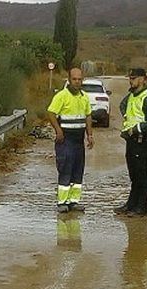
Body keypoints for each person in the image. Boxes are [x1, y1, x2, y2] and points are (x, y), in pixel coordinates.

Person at [46, 68, 94, 213]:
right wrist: (58, 130)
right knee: (65, 169)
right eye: (74, 79)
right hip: (65, 140)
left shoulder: (84, 96)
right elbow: (51, 113)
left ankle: (74, 201)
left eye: (79, 79)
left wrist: (89, 135)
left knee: (77, 171)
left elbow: (88, 116)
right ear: (69, 79)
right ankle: (62, 202)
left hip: (78, 140)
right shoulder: (62, 96)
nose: (77, 82)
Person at [115, 68, 147, 217]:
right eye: (130, 78)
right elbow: (125, 108)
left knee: (141, 175)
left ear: (142, 79)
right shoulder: (132, 96)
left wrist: (137, 128)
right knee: (134, 175)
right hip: (131, 140)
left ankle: (141, 207)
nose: (131, 80)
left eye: (134, 78)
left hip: (142, 140)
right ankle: (131, 204)